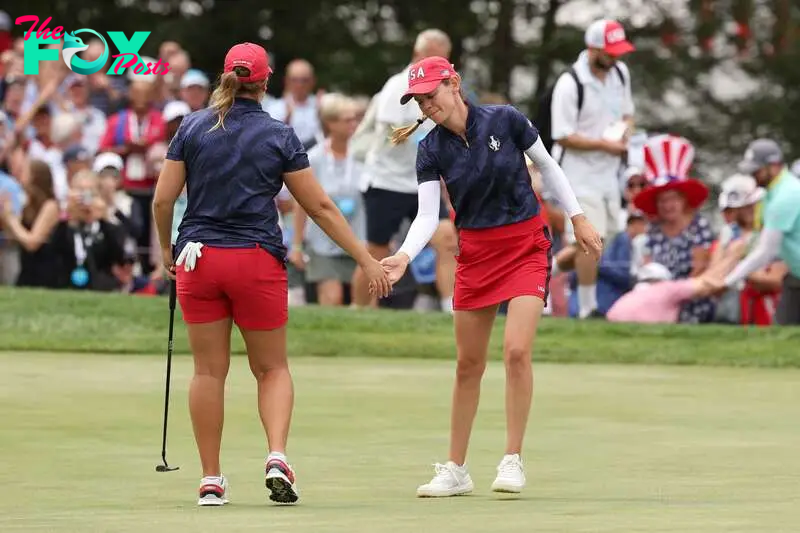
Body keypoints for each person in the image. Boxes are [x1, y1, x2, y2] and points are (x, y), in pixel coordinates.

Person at [151, 42, 390, 507]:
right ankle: (277, 455)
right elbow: (318, 206)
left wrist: (167, 248)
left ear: (225, 78)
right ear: (266, 81)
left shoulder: (193, 127)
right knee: (272, 368)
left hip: (198, 259)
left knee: (207, 372)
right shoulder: (280, 134)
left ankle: (210, 480)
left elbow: (163, 200)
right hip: (255, 259)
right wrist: (364, 258)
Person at [380, 56, 602, 497]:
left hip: (524, 247)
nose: (427, 106)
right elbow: (428, 214)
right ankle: (456, 469)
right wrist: (404, 255)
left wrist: (577, 217)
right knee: (468, 365)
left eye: (431, 96)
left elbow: (550, 167)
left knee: (517, 351)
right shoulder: (430, 148)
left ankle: (512, 459)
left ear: (454, 84)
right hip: (477, 254)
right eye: (419, 101)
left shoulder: (506, 120)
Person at [351, 29, 458, 313]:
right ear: (416, 55)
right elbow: (390, 134)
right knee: (377, 251)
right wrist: (426, 137)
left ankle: (451, 309)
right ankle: (359, 309)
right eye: (429, 56)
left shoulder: (447, 90)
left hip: (422, 181)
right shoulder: (396, 86)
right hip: (386, 181)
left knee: (447, 237)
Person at [550, 19, 636, 318]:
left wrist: (623, 131)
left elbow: (628, 115)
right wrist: (604, 145)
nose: (616, 57)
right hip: (576, 172)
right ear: (593, 48)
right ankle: (588, 308)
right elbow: (562, 135)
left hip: (608, 173)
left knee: (604, 238)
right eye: (610, 52)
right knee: (591, 238)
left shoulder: (620, 74)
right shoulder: (570, 83)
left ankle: (546, 272)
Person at [710, 139, 800, 325]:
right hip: (796, 276)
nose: (753, 176)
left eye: (757, 170)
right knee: (782, 334)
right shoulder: (773, 193)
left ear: (774, 166)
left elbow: (765, 252)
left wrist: (728, 281)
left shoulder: (785, 196)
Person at [632, 134, 716, 323]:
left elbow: (700, 268)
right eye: (662, 200)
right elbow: (647, 265)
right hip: (657, 296)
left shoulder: (698, 227)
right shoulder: (653, 229)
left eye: (672, 199)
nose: (668, 205)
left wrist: (673, 292)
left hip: (691, 298)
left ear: (683, 200)